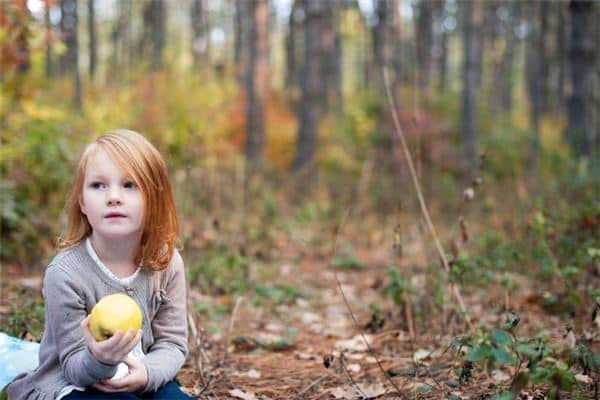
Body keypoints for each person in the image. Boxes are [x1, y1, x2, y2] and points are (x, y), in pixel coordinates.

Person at [7, 130, 195, 399]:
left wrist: (147, 374)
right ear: (82, 202)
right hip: (74, 383)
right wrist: (100, 358)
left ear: (153, 199)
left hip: (141, 375)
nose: (113, 197)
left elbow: (172, 344)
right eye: (98, 185)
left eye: (129, 185)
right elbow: (73, 367)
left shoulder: (166, 263)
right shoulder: (65, 274)